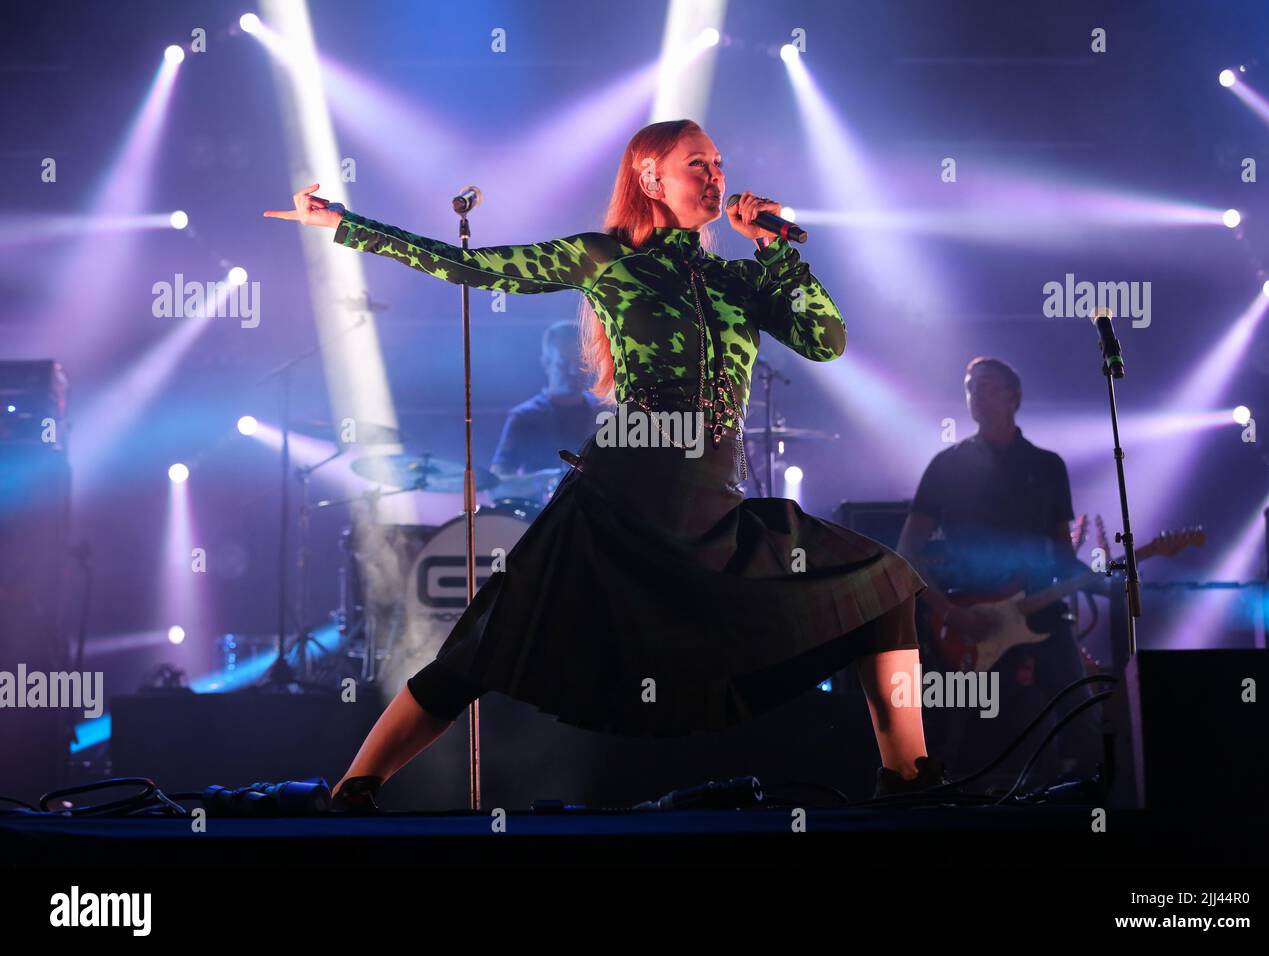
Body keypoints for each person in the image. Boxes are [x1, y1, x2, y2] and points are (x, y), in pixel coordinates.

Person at [265, 118, 940, 807]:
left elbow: (826, 339)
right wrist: (348, 224)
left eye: (718, 164)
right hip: (622, 496)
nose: (716, 177)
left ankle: (908, 780)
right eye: (697, 165)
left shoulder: (742, 279)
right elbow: (475, 266)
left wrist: (775, 251)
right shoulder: (606, 257)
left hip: (712, 503)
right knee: (486, 646)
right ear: (651, 178)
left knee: (886, 584)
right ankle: (354, 787)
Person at [896, 357, 1105, 791]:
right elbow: (907, 553)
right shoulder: (947, 465)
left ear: (1015, 396)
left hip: (1039, 612)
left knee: (1080, 714)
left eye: (988, 386)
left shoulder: (1047, 466)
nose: (975, 395)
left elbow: (1061, 555)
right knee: (948, 732)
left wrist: (1105, 578)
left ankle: (1091, 802)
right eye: (971, 387)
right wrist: (949, 612)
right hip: (967, 615)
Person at [489, 320, 603, 498]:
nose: (574, 371)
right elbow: (496, 485)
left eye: (581, 363)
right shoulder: (525, 417)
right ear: (546, 363)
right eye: (564, 363)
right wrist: (546, 480)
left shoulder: (605, 412)